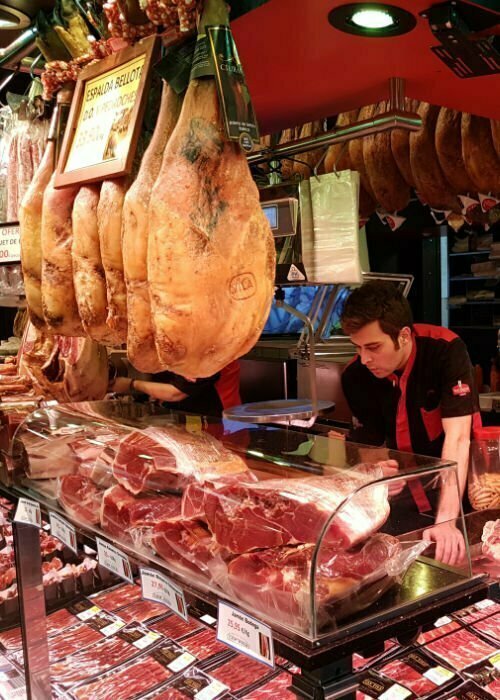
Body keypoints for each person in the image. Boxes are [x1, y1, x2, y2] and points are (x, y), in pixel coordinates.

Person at [338, 280, 481, 567]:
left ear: (403, 336)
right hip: (407, 503)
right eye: (358, 347)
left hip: (465, 497)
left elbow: (458, 438)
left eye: (374, 347)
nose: (365, 358)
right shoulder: (355, 375)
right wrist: (375, 474)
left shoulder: (445, 350)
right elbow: (370, 444)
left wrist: (447, 520)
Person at [109, 360, 241, 417]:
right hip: (191, 418)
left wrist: (131, 384)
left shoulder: (208, 354)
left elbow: (176, 393)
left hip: (219, 421)